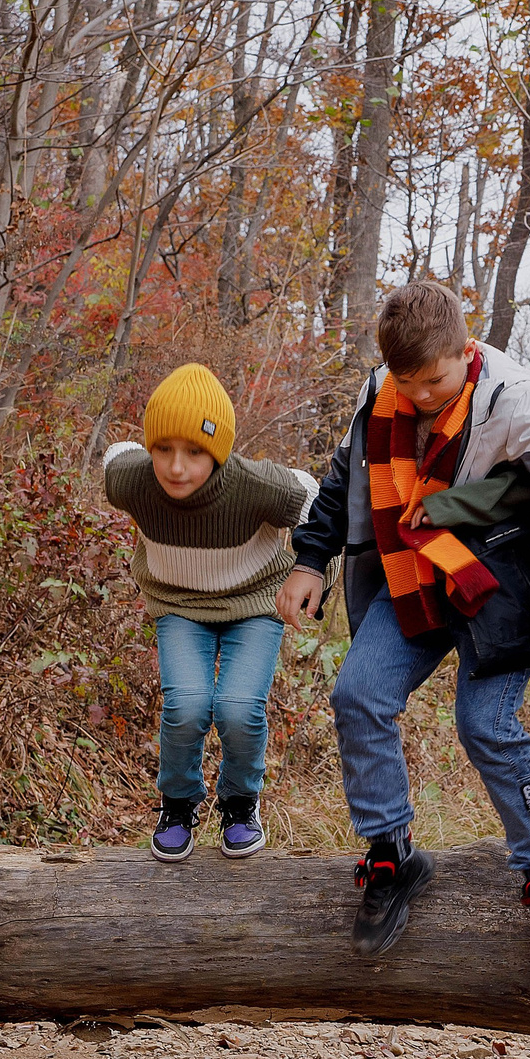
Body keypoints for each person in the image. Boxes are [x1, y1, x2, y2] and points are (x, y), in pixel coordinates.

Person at [278, 281, 530, 978]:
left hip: (498, 580)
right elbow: (347, 477)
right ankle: (392, 853)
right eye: (409, 383)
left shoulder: (513, 396)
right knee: (358, 695)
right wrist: (310, 559)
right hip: (412, 574)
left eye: (434, 379)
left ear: (464, 351)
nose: (423, 395)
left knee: (483, 723)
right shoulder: (383, 387)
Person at [104, 364, 317, 863]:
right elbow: (114, 457)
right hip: (179, 605)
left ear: (219, 452)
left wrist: (310, 573)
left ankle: (240, 803)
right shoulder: (133, 481)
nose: (177, 468)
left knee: (239, 708)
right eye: (164, 449)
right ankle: (177, 805)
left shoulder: (255, 485)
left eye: (195, 451)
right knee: (187, 707)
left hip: (255, 603)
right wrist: (137, 450)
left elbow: (317, 500)